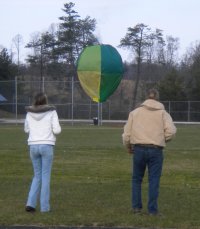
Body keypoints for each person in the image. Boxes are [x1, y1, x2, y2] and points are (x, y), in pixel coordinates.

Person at [122, 88, 176, 216]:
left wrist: (128, 147)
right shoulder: (163, 113)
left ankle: (136, 208)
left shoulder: (135, 113)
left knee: (136, 179)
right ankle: (152, 210)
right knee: (154, 180)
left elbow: (126, 135)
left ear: (146, 98)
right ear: (157, 98)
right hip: (156, 150)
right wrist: (162, 139)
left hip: (139, 149)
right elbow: (172, 131)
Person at [24, 93, 61, 213]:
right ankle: (44, 208)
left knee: (37, 176)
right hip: (46, 145)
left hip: (33, 146)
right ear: (46, 101)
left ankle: (30, 203)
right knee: (45, 177)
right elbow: (57, 130)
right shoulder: (52, 112)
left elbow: (26, 129)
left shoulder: (29, 113)